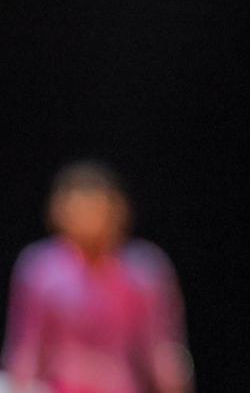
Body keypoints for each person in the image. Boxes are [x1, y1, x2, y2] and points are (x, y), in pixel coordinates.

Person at [2, 162, 193, 393]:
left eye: (95, 210)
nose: (87, 220)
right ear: (59, 212)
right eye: (78, 211)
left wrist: (175, 384)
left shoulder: (144, 269)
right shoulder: (40, 269)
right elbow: (26, 350)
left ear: (116, 211)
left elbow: (161, 349)